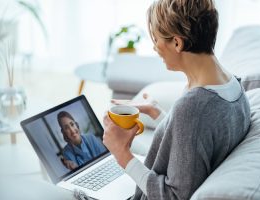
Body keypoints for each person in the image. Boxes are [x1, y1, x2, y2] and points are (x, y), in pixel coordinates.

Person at [103, 0, 251, 199]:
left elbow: (174, 196)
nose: (155, 48)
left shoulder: (194, 107)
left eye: (156, 39)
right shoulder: (232, 85)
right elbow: (196, 142)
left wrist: (122, 154)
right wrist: (157, 113)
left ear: (177, 42)